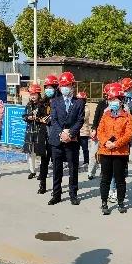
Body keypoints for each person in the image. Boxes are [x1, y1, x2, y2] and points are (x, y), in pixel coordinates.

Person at [97, 83, 132, 215]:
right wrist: (105, 142)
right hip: (105, 151)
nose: (112, 102)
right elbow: (100, 131)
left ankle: (121, 202)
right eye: (110, 99)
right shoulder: (105, 115)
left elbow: (128, 134)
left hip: (120, 152)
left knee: (120, 179)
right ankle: (104, 202)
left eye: (115, 99)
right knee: (105, 178)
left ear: (121, 100)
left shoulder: (128, 117)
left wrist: (116, 144)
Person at [48, 71, 85, 206]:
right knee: (57, 169)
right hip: (57, 140)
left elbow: (80, 120)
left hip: (72, 140)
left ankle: (73, 194)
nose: (65, 88)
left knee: (73, 168)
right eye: (63, 85)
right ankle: (56, 194)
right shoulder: (55, 102)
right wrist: (61, 133)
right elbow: (54, 120)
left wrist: (70, 134)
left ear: (72, 86)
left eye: (67, 85)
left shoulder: (79, 102)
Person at [36, 75, 59, 194]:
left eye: (51, 87)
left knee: (56, 164)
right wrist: (41, 119)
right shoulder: (42, 102)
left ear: (56, 88)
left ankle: (56, 188)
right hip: (44, 135)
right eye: (47, 87)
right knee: (44, 162)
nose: (48, 90)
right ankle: (42, 185)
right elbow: (37, 117)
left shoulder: (60, 101)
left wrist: (52, 119)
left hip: (55, 135)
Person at [88, 83, 112, 180]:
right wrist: (94, 129)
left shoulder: (116, 105)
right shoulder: (101, 104)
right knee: (93, 153)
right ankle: (91, 172)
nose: (107, 96)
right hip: (98, 132)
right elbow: (96, 118)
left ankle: (104, 172)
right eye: (106, 94)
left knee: (105, 154)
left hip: (109, 134)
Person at [22, 83, 43, 179]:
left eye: (34, 94)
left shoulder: (42, 105)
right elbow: (24, 116)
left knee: (41, 153)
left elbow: (45, 117)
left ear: (38, 94)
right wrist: (28, 118)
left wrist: (37, 118)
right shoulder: (28, 105)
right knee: (31, 152)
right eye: (31, 94)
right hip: (30, 132)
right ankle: (32, 171)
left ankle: (42, 172)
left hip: (39, 131)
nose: (33, 96)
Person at [77, 91, 91, 170]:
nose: (80, 101)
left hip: (83, 132)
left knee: (85, 148)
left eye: (81, 99)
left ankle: (86, 161)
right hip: (76, 132)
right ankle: (76, 162)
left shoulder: (86, 108)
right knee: (76, 148)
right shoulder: (75, 106)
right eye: (78, 99)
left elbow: (83, 118)